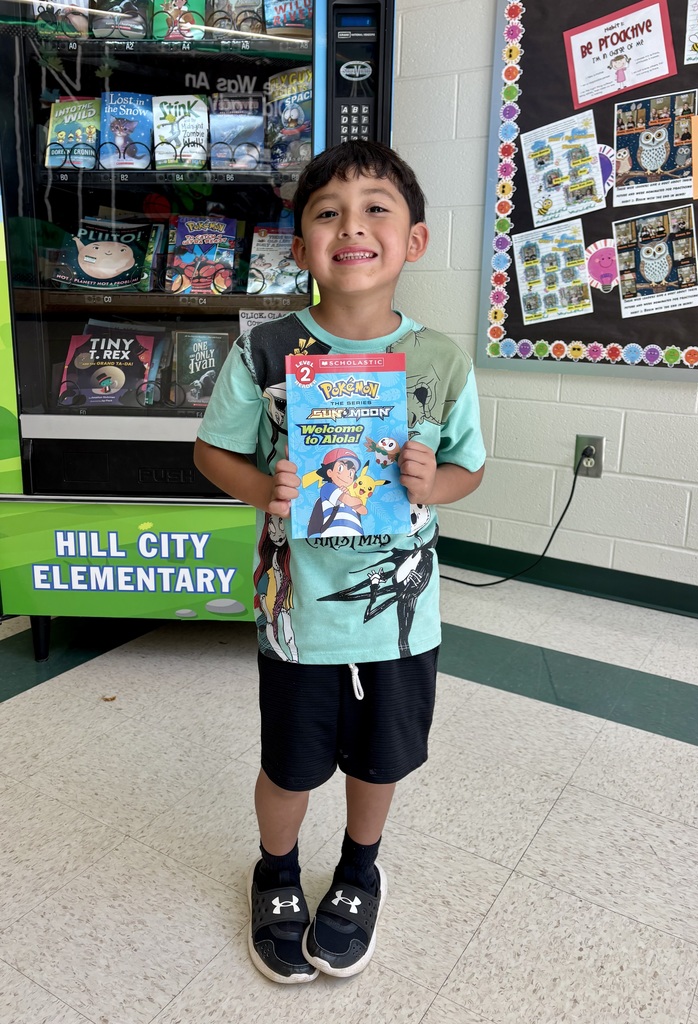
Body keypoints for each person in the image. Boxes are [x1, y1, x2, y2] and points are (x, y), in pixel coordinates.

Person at [194, 139, 486, 985]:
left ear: (415, 241)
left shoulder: (439, 361)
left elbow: (470, 468)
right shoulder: (269, 350)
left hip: (400, 616)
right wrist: (266, 488)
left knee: (377, 758)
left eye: (375, 210)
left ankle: (361, 869)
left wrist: (437, 483)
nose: (351, 227)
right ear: (301, 246)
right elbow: (213, 454)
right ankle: (276, 871)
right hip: (299, 613)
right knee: (289, 763)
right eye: (327, 212)